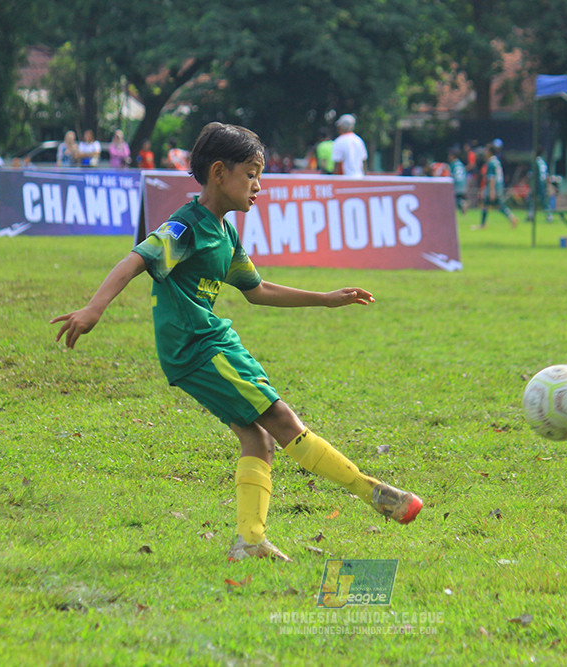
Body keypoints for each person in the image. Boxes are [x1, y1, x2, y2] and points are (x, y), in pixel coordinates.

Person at [50, 122, 422, 562]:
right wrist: (94, 308)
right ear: (219, 173)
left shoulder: (223, 233)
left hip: (209, 344)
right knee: (280, 418)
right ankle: (372, 492)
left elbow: (256, 289)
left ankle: (250, 541)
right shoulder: (186, 227)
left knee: (258, 439)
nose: (258, 186)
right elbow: (136, 259)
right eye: (251, 175)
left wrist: (325, 299)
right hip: (198, 348)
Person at [473, 142, 518, 230]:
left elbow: (491, 178)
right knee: (497, 205)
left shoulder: (491, 163)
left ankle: (482, 225)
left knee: (487, 204)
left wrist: (492, 191)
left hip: (493, 187)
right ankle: (512, 217)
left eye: (486, 151)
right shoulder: (497, 162)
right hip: (499, 186)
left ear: (490, 152)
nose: (485, 152)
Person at [448, 148, 468, 214]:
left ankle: (461, 203)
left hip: (456, 182)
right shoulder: (461, 164)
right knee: (460, 196)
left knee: (453, 198)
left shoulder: (453, 164)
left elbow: (452, 174)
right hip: (463, 182)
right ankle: (463, 203)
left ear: (453, 156)